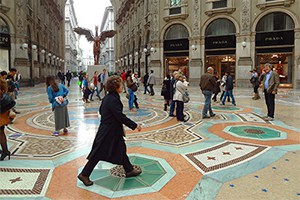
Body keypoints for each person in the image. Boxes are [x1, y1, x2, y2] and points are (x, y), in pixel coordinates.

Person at [77, 76, 142, 186]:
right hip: (108, 131)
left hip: (112, 129)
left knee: (121, 148)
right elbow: (119, 116)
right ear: (116, 87)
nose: (122, 87)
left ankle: (129, 170)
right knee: (98, 153)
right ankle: (84, 174)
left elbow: (102, 111)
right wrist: (134, 125)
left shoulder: (109, 97)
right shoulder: (112, 99)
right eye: (121, 85)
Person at [0, 76, 13, 161]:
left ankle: (5, 151)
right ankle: (5, 150)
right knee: (1, 131)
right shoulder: (2, 82)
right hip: (2, 111)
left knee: (0, 131)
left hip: (0, 112)